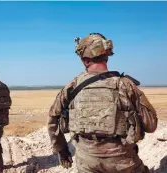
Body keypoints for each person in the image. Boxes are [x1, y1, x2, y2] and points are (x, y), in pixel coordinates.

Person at [47, 33, 158, 173]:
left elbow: (52, 118)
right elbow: (151, 125)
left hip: (86, 161)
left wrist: (61, 149)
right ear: (106, 56)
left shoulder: (71, 87)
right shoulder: (125, 85)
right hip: (122, 161)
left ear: (86, 61)